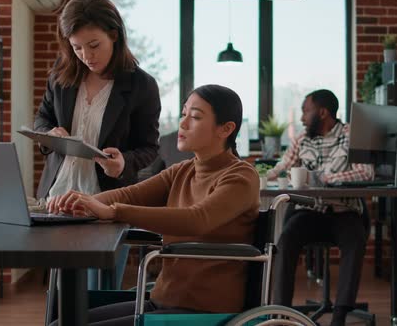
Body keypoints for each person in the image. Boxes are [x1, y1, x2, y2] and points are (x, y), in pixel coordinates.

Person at [48, 84, 260, 326]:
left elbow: (197, 219)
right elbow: (130, 194)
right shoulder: (184, 170)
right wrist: (81, 201)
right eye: (183, 114)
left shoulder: (241, 176)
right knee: (60, 322)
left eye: (196, 117)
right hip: (165, 299)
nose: (183, 124)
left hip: (202, 308)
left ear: (226, 129)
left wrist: (114, 212)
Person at [33, 0, 161, 290]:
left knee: (99, 294)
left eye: (94, 45)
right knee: (60, 294)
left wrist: (123, 163)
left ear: (114, 35)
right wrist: (50, 135)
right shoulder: (61, 75)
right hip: (57, 199)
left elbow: (149, 148)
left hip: (107, 203)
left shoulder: (141, 85)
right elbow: (42, 118)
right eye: (76, 48)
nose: (86, 56)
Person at [267, 89, 374, 326]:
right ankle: (280, 315)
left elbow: (366, 172)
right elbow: (283, 167)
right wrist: (261, 175)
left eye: (306, 111)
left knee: (355, 241)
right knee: (286, 240)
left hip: (344, 212)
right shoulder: (302, 140)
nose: (303, 117)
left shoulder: (351, 134)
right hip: (310, 213)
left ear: (323, 112)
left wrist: (326, 179)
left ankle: (339, 316)